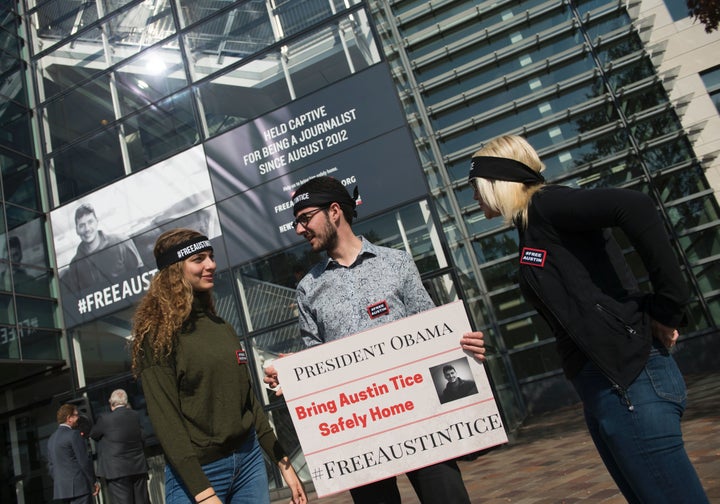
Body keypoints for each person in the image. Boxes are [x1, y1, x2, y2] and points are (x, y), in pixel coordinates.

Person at [463, 134, 709, 504]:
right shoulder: (531, 226)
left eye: (476, 186)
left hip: (630, 380)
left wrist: (667, 309)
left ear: (498, 182)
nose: (474, 197)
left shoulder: (547, 204)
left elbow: (635, 206)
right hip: (603, 389)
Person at [264, 176, 487, 504]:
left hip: (422, 419)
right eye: (296, 221)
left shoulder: (396, 263)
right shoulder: (307, 289)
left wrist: (465, 344)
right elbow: (316, 364)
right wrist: (291, 374)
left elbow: (436, 334)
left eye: (304, 218)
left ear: (335, 211)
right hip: (360, 434)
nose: (298, 229)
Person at [130, 228, 307, 504]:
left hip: (249, 464)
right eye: (198, 259)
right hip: (200, 474)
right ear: (175, 269)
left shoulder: (222, 327)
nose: (211, 265)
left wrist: (283, 461)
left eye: (211, 256)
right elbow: (167, 424)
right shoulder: (157, 337)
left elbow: (249, 401)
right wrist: (203, 494)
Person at [64, 203, 144, 292]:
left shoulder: (121, 243)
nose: (87, 229)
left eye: (90, 222)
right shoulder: (74, 265)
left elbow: (142, 276)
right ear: (77, 230)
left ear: (97, 222)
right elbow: (77, 299)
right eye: (82, 225)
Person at [89, 389, 151, 504]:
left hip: (116, 471)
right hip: (138, 467)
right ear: (126, 402)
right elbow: (143, 437)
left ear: (112, 403)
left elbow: (93, 434)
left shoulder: (105, 419)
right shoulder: (135, 416)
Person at [46, 403, 100, 504]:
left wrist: (61, 481)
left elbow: (50, 466)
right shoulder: (74, 435)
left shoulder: (51, 439)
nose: (78, 418)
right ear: (69, 418)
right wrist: (93, 481)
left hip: (62, 490)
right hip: (79, 488)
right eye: (76, 415)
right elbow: (83, 461)